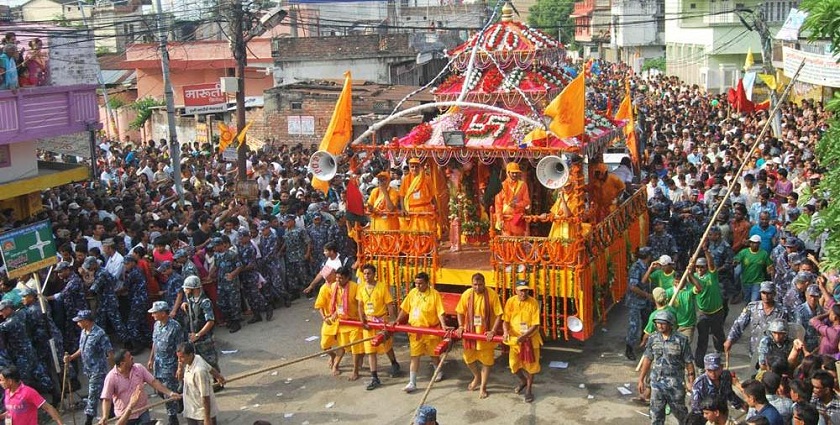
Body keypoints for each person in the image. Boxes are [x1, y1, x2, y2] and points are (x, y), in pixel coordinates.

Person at [392, 271, 448, 394]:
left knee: (434, 355)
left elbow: (440, 312)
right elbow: (405, 309)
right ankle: (412, 382)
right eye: (416, 283)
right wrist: (397, 321)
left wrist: (443, 326)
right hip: (415, 331)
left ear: (427, 283)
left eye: (421, 283)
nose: (418, 286)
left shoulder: (434, 294)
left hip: (431, 331)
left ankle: (438, 370)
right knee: (414, 356)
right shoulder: (412, 293)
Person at [637, 310, 694, 425]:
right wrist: (641, 379)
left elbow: (689, 362)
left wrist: (691, 381)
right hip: (657, 385)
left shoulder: (681, 340)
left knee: (681, 415)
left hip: (675, 385)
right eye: (658, 323)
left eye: (663, 323)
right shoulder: (653, 339)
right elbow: (648, 359)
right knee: (656, 416)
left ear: (670, 324)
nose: (660, 325)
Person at [101, 349, 181, 425]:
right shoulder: (111, 377)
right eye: (129, 357)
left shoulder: (139, 368)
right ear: (122, 363)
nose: (132, 357)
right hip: (125, 416)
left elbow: (153, 382)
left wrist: (170, 393)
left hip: (143, 412)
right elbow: (107, 399)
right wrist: (105, 416)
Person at [455, 273, 503, 399]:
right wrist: (460, 326)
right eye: (475, 285)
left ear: (484, 284)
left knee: (486, 362)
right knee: (468, 359)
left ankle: (483, 387)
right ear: (472, 284)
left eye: (480, 284)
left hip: (485, 335)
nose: (477, 287)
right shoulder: (467, 294)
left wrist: (493, 331)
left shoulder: (492, 295)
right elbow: (460, 311)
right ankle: (477, 376)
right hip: (470, 334)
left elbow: (499, 314)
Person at [355, 264, 401, 391]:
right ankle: (374, 377)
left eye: (369, 273)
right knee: (370, 350)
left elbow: (389, 304)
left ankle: (394, 363)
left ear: (374, 274)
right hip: (369, 322)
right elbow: (360, 305)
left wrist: (392, 320)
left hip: (381, 321)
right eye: (364, 274)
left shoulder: (382, 287)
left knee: (386, 346)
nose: (366, 276)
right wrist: (362, 319)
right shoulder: (361, 287)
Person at [64, 310, 114, 425]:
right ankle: (111, 411)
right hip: (88, 370)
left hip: (98, 370)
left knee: (92, 395)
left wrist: (113, 370)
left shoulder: (99, 333)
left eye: (79, 321)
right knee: (102, 392)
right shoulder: (84, 332)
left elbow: (109, 352)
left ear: (86, 321)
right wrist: (71, 357)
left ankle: (88, 419)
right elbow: (82, 349)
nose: (78, 323)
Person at [313, 266, 363, 379]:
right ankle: (337, 361)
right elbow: (334, 303)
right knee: (343, 346)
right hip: (341, 322)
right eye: (337, 278)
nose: (338, 280)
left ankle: (355, 371)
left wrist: (362, 320)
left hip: (354, 322)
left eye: (341, 278)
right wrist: (332, 313)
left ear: (348, 278)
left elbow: (360, 305)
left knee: (355, 347)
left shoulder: (355, 287)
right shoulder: (334, 286)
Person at [502, 280, 542, 403]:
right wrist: (505, 331)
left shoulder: (533, 302)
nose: (523, 293)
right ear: (516, 291)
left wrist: (524, 336)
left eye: (525, 290)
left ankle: (529, 390)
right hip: (515, 340)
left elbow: (535, 324)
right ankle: (523, 381)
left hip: (530, 339)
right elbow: (505, 320)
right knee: (513, 365)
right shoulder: (510, 301)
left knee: (531, 366)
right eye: (521, 290)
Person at [148, 301, 185, 424]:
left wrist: (180, 367)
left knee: (168, 391)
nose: (153, 315)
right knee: (159, 390)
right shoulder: (156, 325)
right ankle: (178, 397)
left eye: (155, 313)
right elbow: (155, 342)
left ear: (163, 313)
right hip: (158, 365)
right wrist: (151, 358)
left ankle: (172, 417)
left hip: (170, 365)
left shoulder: (175, 327)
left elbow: (180, 349)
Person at [689, 248, 726, 370]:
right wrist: (689, 271)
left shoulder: (712, 275)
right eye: (698, 267)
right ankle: (699, 364)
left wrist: (705, 251)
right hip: (703, 314)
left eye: (702, 267)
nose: (700, 269)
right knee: (702, 339)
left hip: (717, 311)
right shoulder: (693, 277)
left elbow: (711, 263)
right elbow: (695, 284)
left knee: (718, 334)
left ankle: (719, 353)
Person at [181, 276, 220, 374]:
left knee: (210, 362)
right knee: (198, 363)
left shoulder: (204, 302)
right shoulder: (191, 300)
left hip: (204, 339)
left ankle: (217, 381)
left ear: (193, 288)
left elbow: (210, 321)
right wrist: (185, 304)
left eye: (187, 288)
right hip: (194, 337)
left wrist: (198, 335)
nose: (185, 290)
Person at [177, 342, 220, 425]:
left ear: (190, 355)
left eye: (182, 357)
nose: (179, 360)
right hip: (191, 410)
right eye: (178, 357)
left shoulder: (199, 371)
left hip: (201, 414)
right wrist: (219, 377)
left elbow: (205, 396)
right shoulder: (194, 359)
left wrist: (207, 419)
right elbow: (210, 368)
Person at [625, 247, 654, 361]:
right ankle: (629, 348)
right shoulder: (636, 267)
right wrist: (646, 295)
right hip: (635, 302)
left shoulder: (646, 266)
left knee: (647, 322)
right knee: (634, 325)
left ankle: (644, 342)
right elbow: (633, 287)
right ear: (648, 256)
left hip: (644, 301)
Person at [399, 158, 436, 233]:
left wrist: (436, 207)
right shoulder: (406, 179)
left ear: (420, 167)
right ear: (409, 167)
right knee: (414, 233)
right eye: (412, 166)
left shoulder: (427, 178)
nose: (414, 168)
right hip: (411, 210)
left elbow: (433, 195)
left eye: (416, 166)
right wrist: (403, 209)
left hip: (425, 209)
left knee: (426, 231)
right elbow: (402, 196)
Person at [494, 162, 530, 236]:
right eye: (513, 173)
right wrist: (499, 219)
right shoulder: (501, 186)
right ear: (508, 173)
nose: (514, 175)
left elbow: (527, 202)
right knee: (507, 244)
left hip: (518, 219)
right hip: (506, 219)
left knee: (518, 243)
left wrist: (516, 205)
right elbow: (498, 205)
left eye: (516, 173)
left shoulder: (523, 185)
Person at [734, 235, 773, 303]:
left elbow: (770, 266)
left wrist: (771, 273)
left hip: (758, 281)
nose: (753, 244)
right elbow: (737, 260)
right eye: (751, 242)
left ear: (759, 244)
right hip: (746, 281)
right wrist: (735, 262)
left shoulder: (764, 254)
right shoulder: (744, 252)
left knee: (754, 301)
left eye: (755, 243)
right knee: (747, 300)